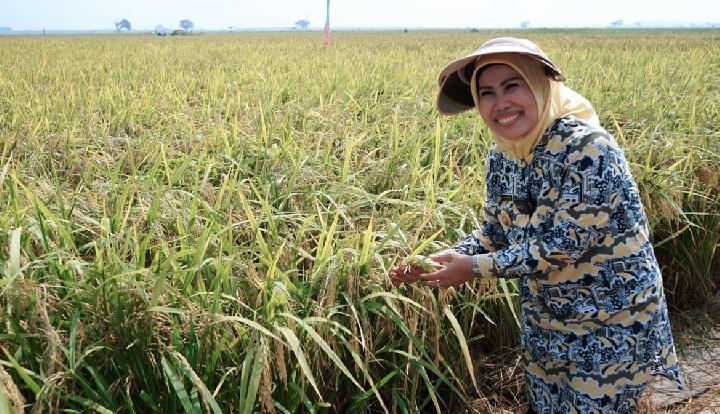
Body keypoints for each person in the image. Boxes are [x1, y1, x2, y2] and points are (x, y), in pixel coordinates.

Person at [390, 37, 682, 413]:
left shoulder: (588, 149)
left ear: (541, 85)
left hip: (612, 326)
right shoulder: (502, 155)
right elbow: (493, 234)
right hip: (548, 325)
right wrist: (444, 260)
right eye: (488, 92)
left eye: (513, 85)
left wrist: (472, 268)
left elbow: (563, 245)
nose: (501, 103)